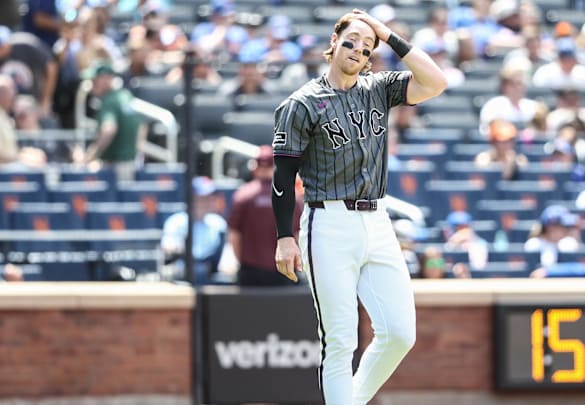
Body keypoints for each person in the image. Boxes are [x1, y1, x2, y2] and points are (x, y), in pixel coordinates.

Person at [271, 9, 447, 405]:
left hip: (378, 220)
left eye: (366, 47)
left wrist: (388, 35)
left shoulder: (377, 88)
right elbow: (283, 178)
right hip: (327, 220)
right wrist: (285, 236)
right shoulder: (302, 103)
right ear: (333, 43)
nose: (357, 50)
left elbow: (436, 82)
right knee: (340, 340)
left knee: (400, 333)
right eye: (350, 42)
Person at [227, 145, 303, 286]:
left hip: (250, 273)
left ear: (255, 167)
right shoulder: (291, 195)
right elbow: (298, 235)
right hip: (284, 270)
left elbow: (234, 236)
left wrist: (242, 262)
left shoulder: (243, 195)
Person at [74, 61, 146, 182]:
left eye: (94, 79)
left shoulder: (110, 101)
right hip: (131, 164)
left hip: (115, 168)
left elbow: (109, 129)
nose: (91, 83)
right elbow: (142, 126)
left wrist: (90, 156)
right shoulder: (126, 95)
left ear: (105, 79)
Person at [161, 176, 227, 285]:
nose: (207, 202)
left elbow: (226, 255)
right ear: (191, 198)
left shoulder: (219, 223)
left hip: (210, 277)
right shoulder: (176, 221)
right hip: (183, 276)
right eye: (202, 198)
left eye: (210, 197)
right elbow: (168, 247)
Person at [0, 74, 46, 172]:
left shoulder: (0, 114)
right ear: (0, 94)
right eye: (11, 90)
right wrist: (20, 160)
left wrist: (25, 155)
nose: (14, 95)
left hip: (2, 175)